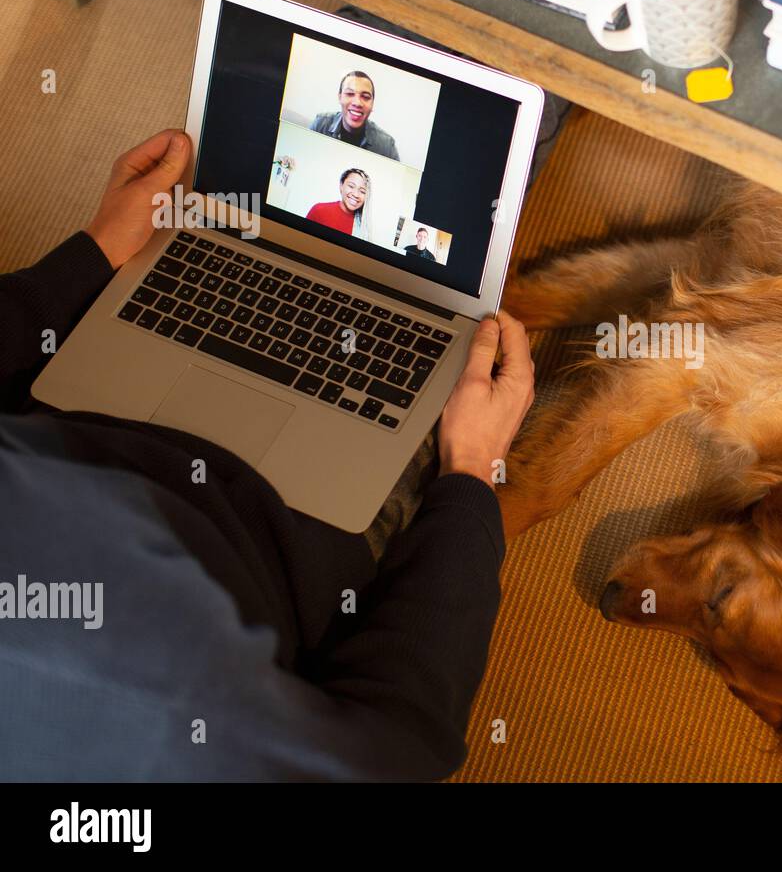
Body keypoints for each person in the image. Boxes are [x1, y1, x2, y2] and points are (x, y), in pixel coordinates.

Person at [0, 129, 535, 779]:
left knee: (384, 34)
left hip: (70, 402)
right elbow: (403, 739)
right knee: (462, 281)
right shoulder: (185, 736)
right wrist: (471, 471)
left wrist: (96, 250)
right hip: (300, 526)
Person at [309, 71, 400, 161]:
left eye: (365, 97)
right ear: (340, 97)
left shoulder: (387, 146)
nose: (357, 103)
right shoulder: (320, 125)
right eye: (349, 94)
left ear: (372, 104)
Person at [307, 167, 372, 241]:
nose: (356, 194)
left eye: (362, 191)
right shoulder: (319, 210)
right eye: (351, 186)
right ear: (341, 185)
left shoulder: (363, 226)